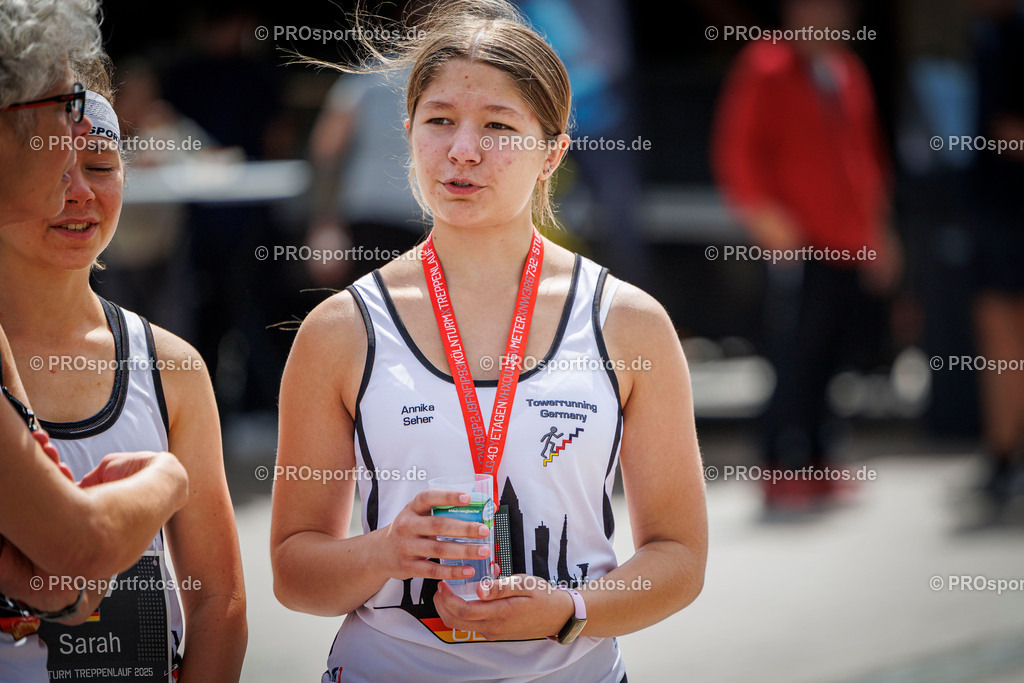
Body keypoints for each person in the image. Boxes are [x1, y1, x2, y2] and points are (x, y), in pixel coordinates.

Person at [271, 2, 707, 680]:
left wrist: (570, 609)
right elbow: (296, 573)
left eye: (499, 126)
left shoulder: (628, 322)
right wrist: (386, 551)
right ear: (409, 131)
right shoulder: (341, 328)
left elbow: (678, 558)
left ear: (552, 152)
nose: (462, 150)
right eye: (439, 120)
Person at [0, 70, 247, 680]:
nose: (80, 191)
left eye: (102, 164)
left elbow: (219, 601)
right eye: (55, 167)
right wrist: (162, 482)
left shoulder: (172, 367)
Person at [712, 0, 901, 512]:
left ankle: (819, 459)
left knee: (834, 354)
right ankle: (779, 463)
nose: (829, 17)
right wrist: (767, 220)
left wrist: (879, 234)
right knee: (793, 353)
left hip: (847, 242)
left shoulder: (844, 69)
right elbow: (738, 151)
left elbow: (866, 157)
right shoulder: (767, 65)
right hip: (798, 245)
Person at [969, 0, 1024, 511]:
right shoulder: (989, 35)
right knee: (999, 345)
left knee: (1007, 344)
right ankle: (1002, 460)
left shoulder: (1011, 36)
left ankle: (1006, 462)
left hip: (1010, 219)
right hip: (995, 217)